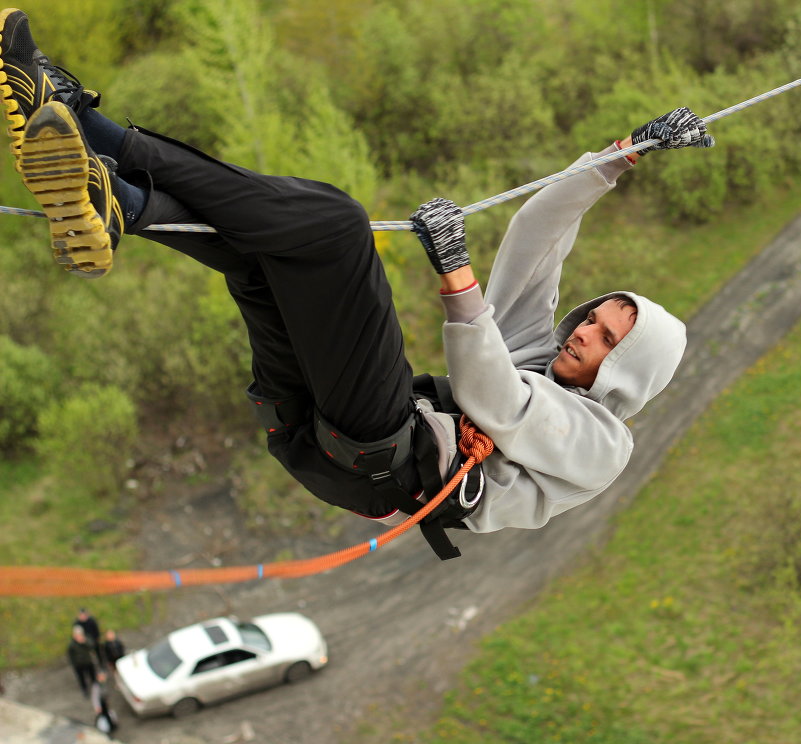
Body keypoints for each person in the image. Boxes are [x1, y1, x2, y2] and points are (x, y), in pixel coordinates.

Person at [1, 9, 713, 558]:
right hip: (316, 431)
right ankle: (115, 203)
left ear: (624, 371)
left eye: (606, 339)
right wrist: (625, 154)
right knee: (264, 258)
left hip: (386, 457)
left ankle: (93, 127)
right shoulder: (540, 354)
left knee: (338, 229)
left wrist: (457, 276)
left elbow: (494, 400)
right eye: (594, 318)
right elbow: (537, 234)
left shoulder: (600, 444)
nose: (584, 331)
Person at [67, 626, 98, 697]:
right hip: (79, 665)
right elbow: (70, 656)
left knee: (92, 676)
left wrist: (84, 642)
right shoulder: (72, 645)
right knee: (82, 679)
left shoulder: (86, 639)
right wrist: (74, 664)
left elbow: (92, 646)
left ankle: (96, 688)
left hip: (88, 662)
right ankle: (85, 690)